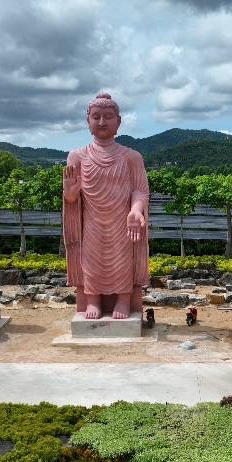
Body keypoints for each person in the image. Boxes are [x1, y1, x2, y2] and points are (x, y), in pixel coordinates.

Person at [63, 92, 150, 320]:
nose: (102, 122)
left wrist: (136, 209)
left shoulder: (131, 157)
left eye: (108, 117)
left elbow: (140, 190)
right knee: (91, 260)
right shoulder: (77, 156)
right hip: (92, 222)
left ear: (118, 122)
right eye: (96, 116)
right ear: (88, 121)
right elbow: (71, 199)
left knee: (123, 258)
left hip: (122, 222)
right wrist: (70, 194)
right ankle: (93, 300)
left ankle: (123, 299)